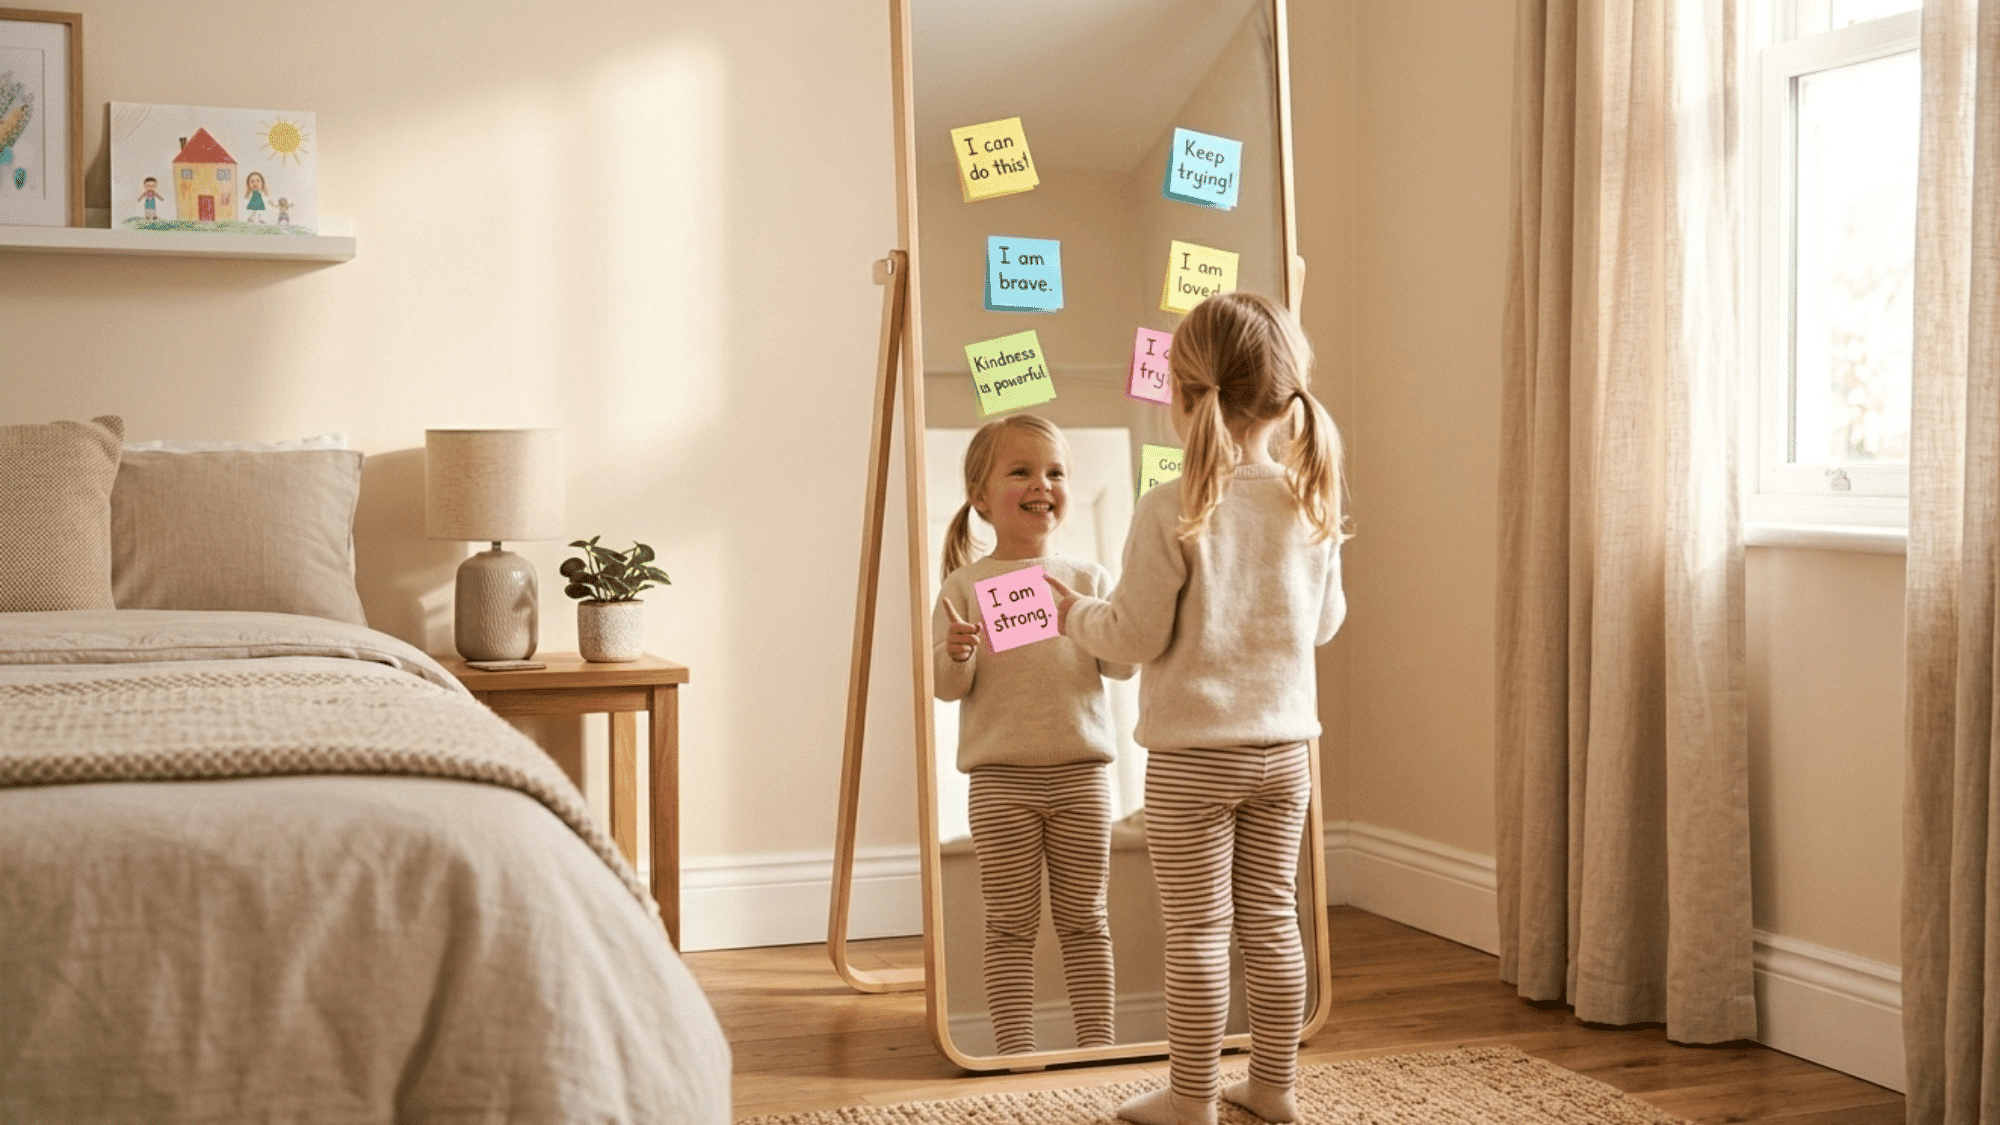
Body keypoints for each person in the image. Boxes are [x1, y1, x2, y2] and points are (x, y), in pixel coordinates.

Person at [1051, 292, 1348, 1125]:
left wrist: (1073, 611)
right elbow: (1324, 622)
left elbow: (1133, 636)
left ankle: (1190, 1099)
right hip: (1286, 753)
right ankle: (1275, 1088)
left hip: (1193, 759)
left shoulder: (1172, 506)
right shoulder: (1309, 502)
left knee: (1198, 933)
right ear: (1285, 398)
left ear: (1183, 396)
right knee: (1272, 921)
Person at [933, 412, 1135, 1056]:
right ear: (981, 497)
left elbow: (1124, 665)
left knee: (1086, 923)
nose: (1040, 482)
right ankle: (1016, 1050)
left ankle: (1097, 1045)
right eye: (1019, 471)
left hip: (1082, 779)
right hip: (999, 784)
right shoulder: (963, 586)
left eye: (1054, 471)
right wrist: (957, 652)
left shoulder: (1089, 579)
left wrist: (1107, 616)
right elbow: (946, 687)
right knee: (1010, 926)